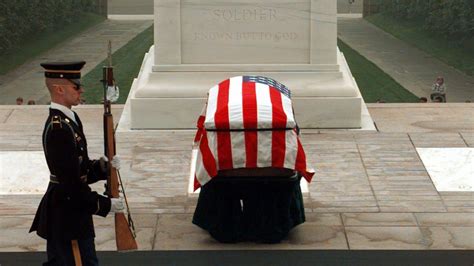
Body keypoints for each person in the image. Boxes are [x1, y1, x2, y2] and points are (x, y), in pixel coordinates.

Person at [29, 61, 124, 266]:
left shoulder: (70, 120)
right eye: (76, 86)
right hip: (66, 215)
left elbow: (78, 170)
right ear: (59, 89)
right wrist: (103, 204)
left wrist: (102, 167)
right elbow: (70, 184)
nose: (81, 90)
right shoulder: (59, 129)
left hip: (73, 213)